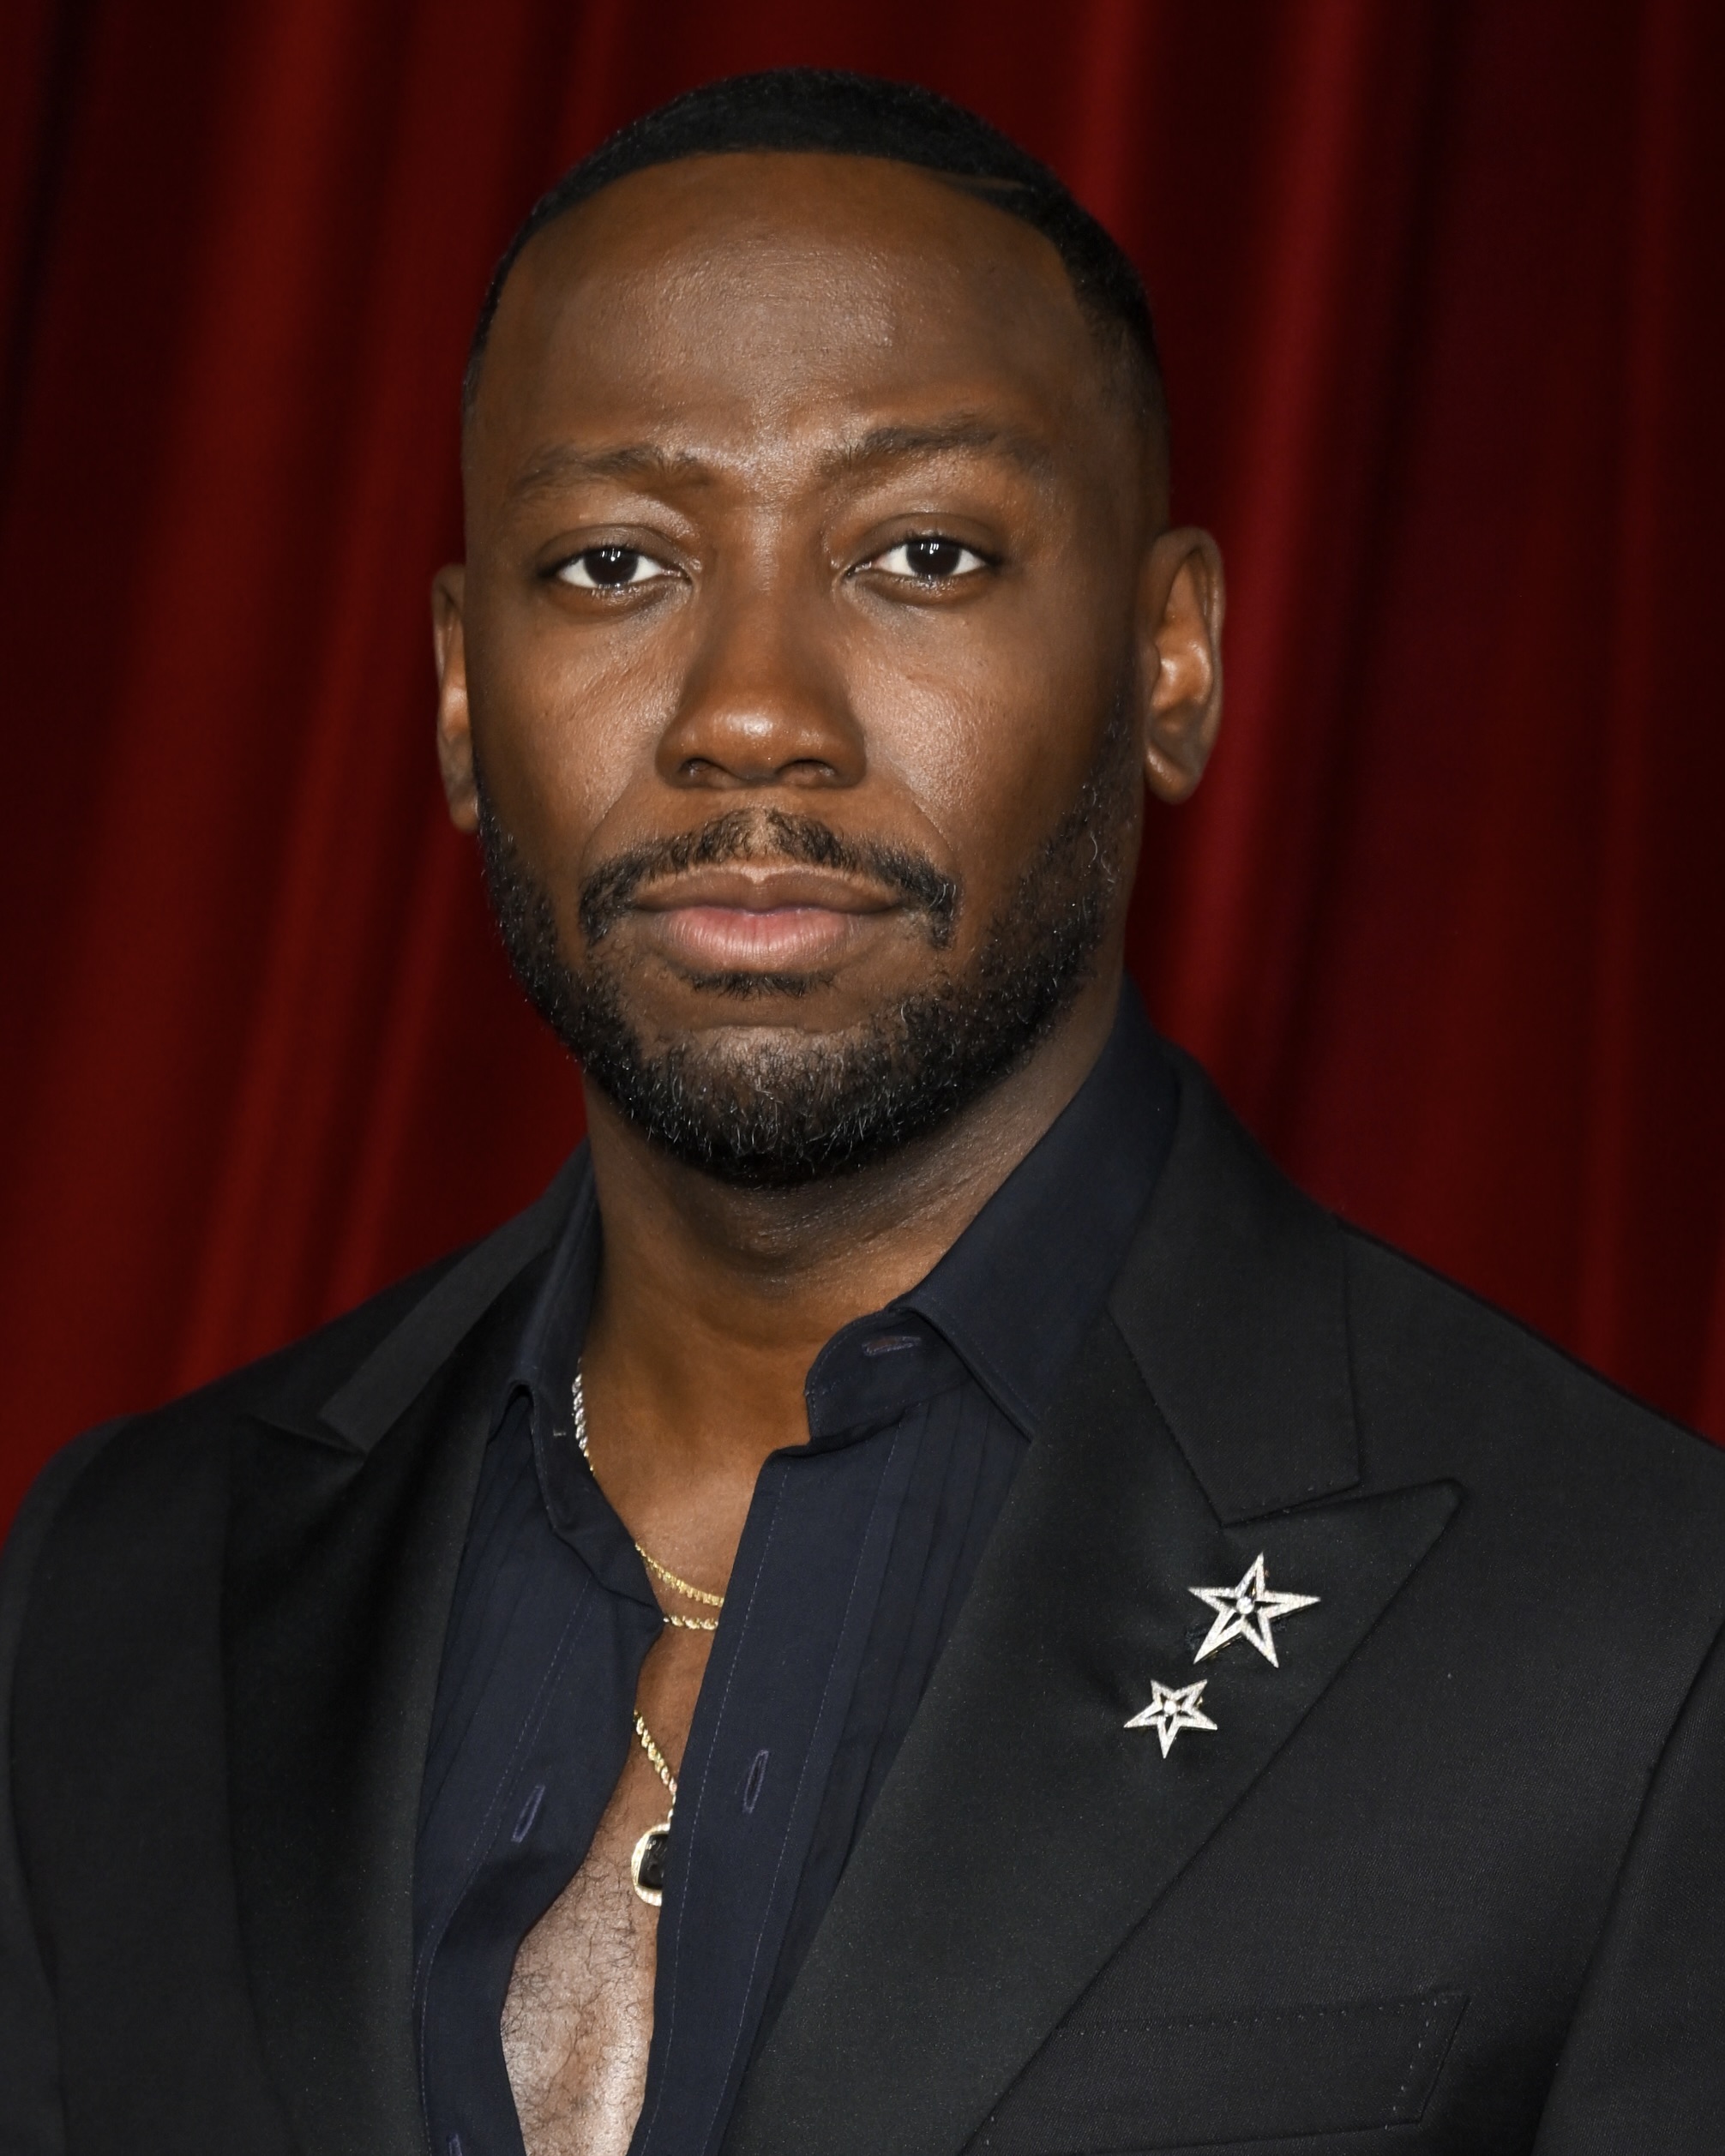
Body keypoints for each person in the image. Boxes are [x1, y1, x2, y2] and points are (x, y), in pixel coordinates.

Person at [3, 66, 1723, 2156]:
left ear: (1167, 656)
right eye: (614, 563)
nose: (748, 712)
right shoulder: (121, 1588)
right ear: (461, 693)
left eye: (921, 551)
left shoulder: (1631, 1636)